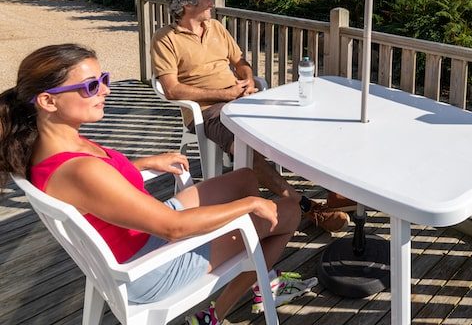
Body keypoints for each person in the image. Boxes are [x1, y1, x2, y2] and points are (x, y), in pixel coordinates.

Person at [0, 44, 315, 325]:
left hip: (140, 234)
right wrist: (249, 205)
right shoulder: (80, 170)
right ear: (47, 101)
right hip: (152, 266)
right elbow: (173, 228)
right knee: (286, 212)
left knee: (246, 177)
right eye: (91, 86)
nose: (106, 90)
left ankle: (256, 271)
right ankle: (217, 313)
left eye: (104, 79)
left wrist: (140, 164)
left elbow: (96, 187)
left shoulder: (50, 146)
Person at [151, 0, 353, 233]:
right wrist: (224, 95)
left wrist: (247, 80)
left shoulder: (216, 28)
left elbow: (240, 62)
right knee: (246, 148)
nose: (212, 2)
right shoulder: (165, 39)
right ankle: (307, 206)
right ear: (188, 5)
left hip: (241, 98)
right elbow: (172, 89)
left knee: (298, 123)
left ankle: (335, 193)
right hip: (207, 111)